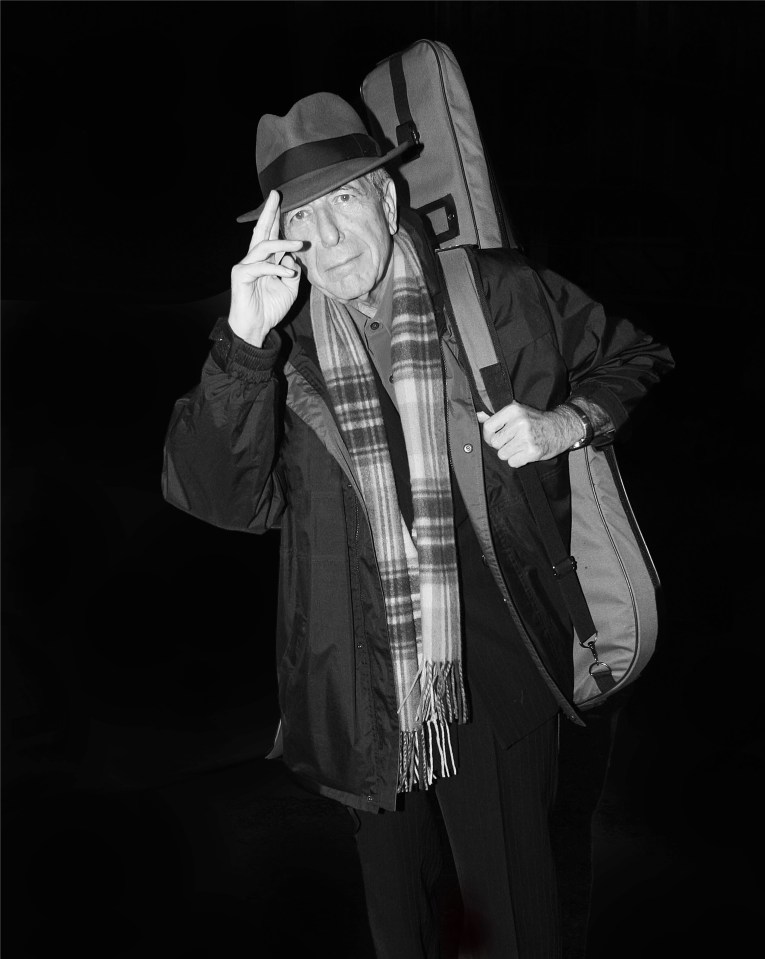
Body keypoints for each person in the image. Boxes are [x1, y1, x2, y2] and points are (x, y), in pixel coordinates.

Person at [162, 92, 674, 958]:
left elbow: (633, 354)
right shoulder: (274, 345)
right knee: (401, 921)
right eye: (302, 222)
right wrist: (243, 342)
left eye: (342, 205)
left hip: (500, 660)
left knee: (508, 913)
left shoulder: (497, 292)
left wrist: (567, 421)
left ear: (388, 199)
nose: (325, 243)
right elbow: (219, 498)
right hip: (355, 669)